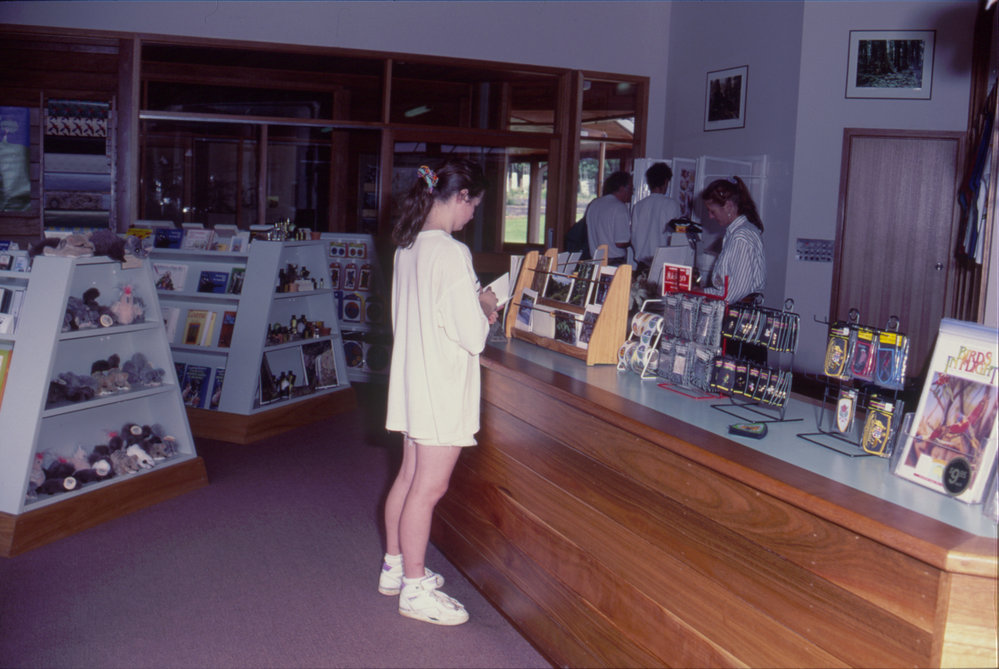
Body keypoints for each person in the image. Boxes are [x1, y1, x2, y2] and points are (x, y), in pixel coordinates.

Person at [379, 160, 499, 626]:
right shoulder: (450, 253)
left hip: (412, 381)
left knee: (409, 478)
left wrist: (474, 300)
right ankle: (414, 589)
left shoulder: (408, 247)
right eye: (475, 206)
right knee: (429, 489)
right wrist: (486, 307)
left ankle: (395, 566)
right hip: (441, 386)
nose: (472, 216)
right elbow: (472, 337)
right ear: (461, 196)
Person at [700, 175, 765, 304]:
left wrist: (702, 294)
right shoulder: (736, 234)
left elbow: (735, 292)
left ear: (728, 206)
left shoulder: (741, 237)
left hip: (738, 314)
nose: (711, 216)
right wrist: (702, 292)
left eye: (712, 211)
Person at [630, 162, 682, 273]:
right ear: (665, 182)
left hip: (642, 264)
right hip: (663, 265)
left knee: (642, 290)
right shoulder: (672, 205)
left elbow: (633, 236)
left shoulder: (638, 206)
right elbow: (675, 237)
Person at [584, 170, 632, 265]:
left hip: (595, 260)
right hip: (613, 262)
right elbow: (620, 242)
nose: (632, 193)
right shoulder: (620, 207)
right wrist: (634, 239)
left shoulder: (593, 204)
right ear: (622, 188)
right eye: (631, 189)